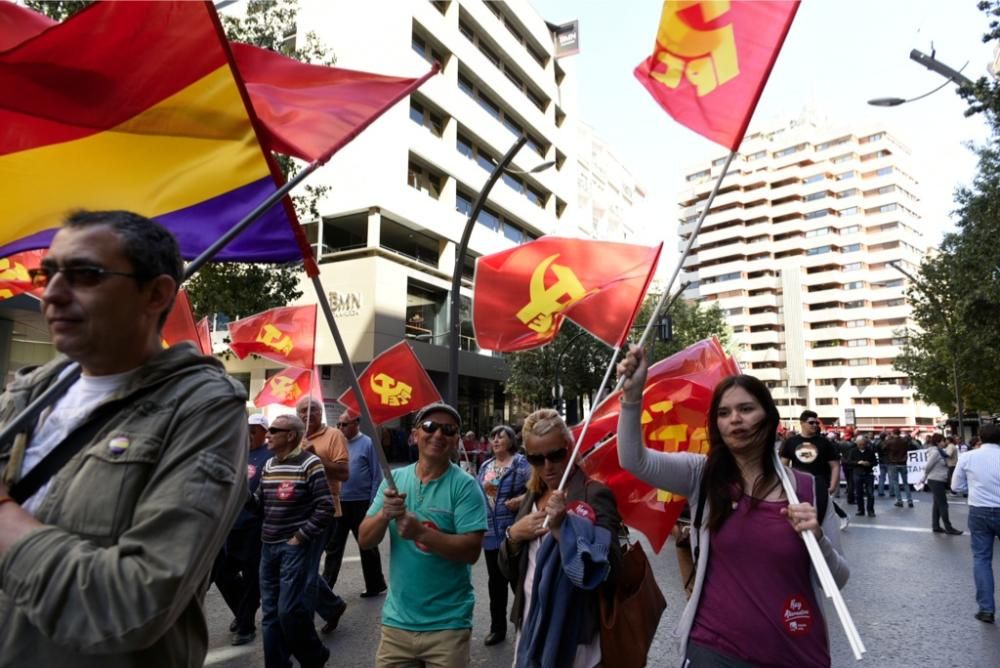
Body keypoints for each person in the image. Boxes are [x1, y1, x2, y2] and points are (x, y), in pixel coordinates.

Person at [0, 210, 248, 666]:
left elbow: (132, 607)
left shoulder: (203, 408)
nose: (51, 294)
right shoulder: (28, 393)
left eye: (85, 275)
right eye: (48, 273)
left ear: (155, 293)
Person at [617, 345, 849, 666]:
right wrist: (631, 398)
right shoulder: (702, 475)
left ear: (769, 417)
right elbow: (633, 459)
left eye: (746, 409)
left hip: (795, 653)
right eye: (724, 413)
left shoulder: (809, 491)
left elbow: (834, 581)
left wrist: (817, 539)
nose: (735, 420)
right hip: (714, 649)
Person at [359, 402, 487, 668]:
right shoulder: (393, 481)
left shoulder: (465, 487)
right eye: (430, 426)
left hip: (448, 626)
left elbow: (471, 552)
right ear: (415, 435)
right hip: (396, 625)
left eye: (448, 429)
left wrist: (421, 533)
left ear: (455, 440)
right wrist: (385, 514)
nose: (438, 434)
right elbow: (365, 539)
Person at [499, 409, 621, 667]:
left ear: (569, 447)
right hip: (531, 625)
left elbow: (612, 569)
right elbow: (509, 570)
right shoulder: (531, 497)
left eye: (555, 455)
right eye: (536, 458)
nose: (548, 466)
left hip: (575, 635)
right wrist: (513, 536)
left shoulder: (594, 495)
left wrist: (564, 529)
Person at [253, 414, 334, 668]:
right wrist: (241, 494)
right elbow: (259, 505)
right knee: (269, 614)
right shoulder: (268, 466)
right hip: (268, 547)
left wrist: (299, 538)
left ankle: (315, 655)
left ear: (290, 436)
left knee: (288, 611)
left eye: (274, 430)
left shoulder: (310, 464)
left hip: (292, 548)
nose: (268, 434)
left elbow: (325, 507)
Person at [214, 413, 273, 645]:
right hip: (230, 525)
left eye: (254, 429)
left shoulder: (270, 457)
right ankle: (243, 611)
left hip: (255, 526)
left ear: (264, 432)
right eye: (246, 428)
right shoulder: (237, 454)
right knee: (222, 574)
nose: (248, 433)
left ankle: (246, 626)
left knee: (251, 578)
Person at [296, 396, 349, 633]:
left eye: (313, 410)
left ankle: (304, 624)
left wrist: (315, 455)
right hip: (294, 512)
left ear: (322, 413)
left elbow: (343, 473)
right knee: (297, 567)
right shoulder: (294, 435)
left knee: (306, 568)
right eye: (302, 411)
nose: (307, 414)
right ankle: (331, 606)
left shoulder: (335, 436)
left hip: (323, 510)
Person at [322, 410, 387, 599]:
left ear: (356, 424)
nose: (340, 428)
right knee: (333, 547)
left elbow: (377, 475)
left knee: (367, 545)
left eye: (344, 424)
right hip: (339, 502)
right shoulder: (336, 442)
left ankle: (375, 584)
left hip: (361, 503)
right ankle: (325, 590)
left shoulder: (367, 443)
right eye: (338, 425)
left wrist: (373, 504)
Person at [476, 424, 531, 646]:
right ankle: (497, 628)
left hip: (513, 533)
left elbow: (537, 487)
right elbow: (479, 493)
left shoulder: (521, 463)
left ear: (511, 441)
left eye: (501, 437)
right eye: (493, 437)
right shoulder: (486, 465)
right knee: (495, 584)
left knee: (518, 582)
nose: (496, 440)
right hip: (490, 533)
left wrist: (520, 500)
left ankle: (526, 626)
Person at [952, 423, 1000, 624]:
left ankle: (986, 609)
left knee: (981, 559)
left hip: (979, 510)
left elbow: (956, 486)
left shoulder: (968, 457)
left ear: (979, 437)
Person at [781, 410, 850, 531]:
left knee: (820, 521)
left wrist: (833, 486)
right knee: (799, 519)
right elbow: (784, 466)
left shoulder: (824, 442)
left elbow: (835, 465)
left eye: (816, 423)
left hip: (820, 484)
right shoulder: (791, 442)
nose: (815, 425)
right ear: (802, 423)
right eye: (811, 422)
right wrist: (784, 485)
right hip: (798, 486)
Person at [922, 434, 962, 535]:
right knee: (943, 504)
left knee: (937, 504)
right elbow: (927, 467)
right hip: (936, 480)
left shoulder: (939, 452)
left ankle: (936, 526)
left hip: (937, 479)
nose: (945, 443)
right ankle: (948, 527)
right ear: (938, 442)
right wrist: (924, 477)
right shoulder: (936, 452)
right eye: (943, 441)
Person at [847, 435, 877, 518]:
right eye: (860, 444)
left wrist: (869, 463)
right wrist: (857, 463)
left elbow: (875, 462)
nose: (862, 446)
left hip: (868, 473)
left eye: (863, 444)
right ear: (857, 443)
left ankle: (870, 510)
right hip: (857, 473)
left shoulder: (870, 451)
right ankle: (861, 510)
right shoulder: (853, 451)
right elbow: (848, 462)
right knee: (858, 493)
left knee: (870, 493)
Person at [884, 429, 914, 508]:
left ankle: (899, 501)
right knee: (905, 483)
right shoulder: (904, 441)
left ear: (893, 433)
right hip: (903, 463)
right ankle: (910, 500)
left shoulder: (890, 442)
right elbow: (909, 447)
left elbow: (884, 448)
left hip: (893, 463)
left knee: (895, 483)